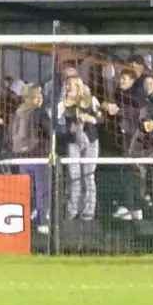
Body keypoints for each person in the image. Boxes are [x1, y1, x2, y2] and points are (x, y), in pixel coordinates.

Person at [10, 84, 52, 234]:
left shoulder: (18, 112)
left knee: (26, 191)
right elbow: (50, 129)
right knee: (43, 191)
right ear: (35, 97)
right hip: (38, 156)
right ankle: (43, 222)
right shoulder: (39, 112)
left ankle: (26, 219)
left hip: (22, 158)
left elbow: (11, 134)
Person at [58, 77, 101, 221]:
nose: (68, 87)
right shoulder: (63, 104)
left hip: (90, 141)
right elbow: (58, 123)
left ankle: (89, 210)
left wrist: (90, 119)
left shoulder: (91, 100)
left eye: (71, 84)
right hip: (73, 142)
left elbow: (101, 118)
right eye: (67, 84)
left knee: (88, 176)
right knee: (74, 176)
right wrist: (71, 128)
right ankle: (73, 210)